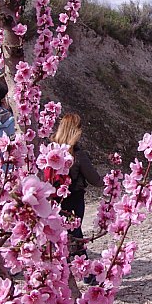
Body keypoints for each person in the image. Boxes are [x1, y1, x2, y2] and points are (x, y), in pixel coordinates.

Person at [50, 113, 103, 263]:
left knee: (60, 232)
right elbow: (94, 179)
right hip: (74, 197)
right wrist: (106, 182)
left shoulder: (51, 150)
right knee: (75, 231)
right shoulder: (77, 154)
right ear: (76, 131)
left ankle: (66, 260)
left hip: (54, 198)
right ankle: (83, 267)